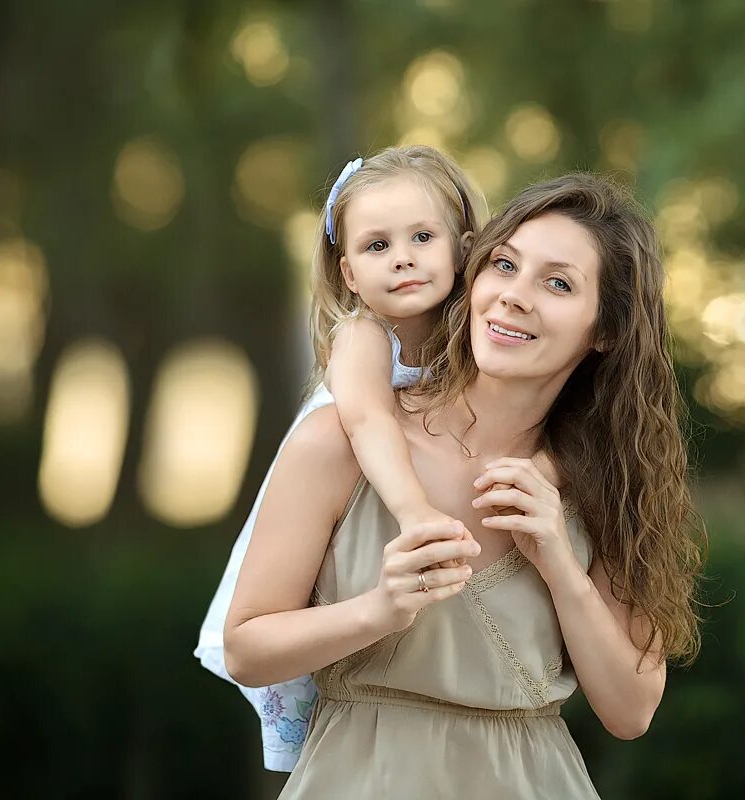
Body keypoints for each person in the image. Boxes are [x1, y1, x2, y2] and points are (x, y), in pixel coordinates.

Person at [225, 173, 706, 798]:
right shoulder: (338, 440)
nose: (514, 296)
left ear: (605, 330)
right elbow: (246, 650)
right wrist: (380, 609)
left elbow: (632, 710)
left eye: (558, 283)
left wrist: (560, 562)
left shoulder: (602, 484)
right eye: (503, 265)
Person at [194, 145, 483, 771]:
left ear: (462, 248)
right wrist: (416, 512)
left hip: (376, 524)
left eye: (421, 236)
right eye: (376, 246)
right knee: (315, 692)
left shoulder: (476, 344)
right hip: (327, 516)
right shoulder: (361, 336)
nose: (402, 256)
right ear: (349, 273)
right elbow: (368, 420)